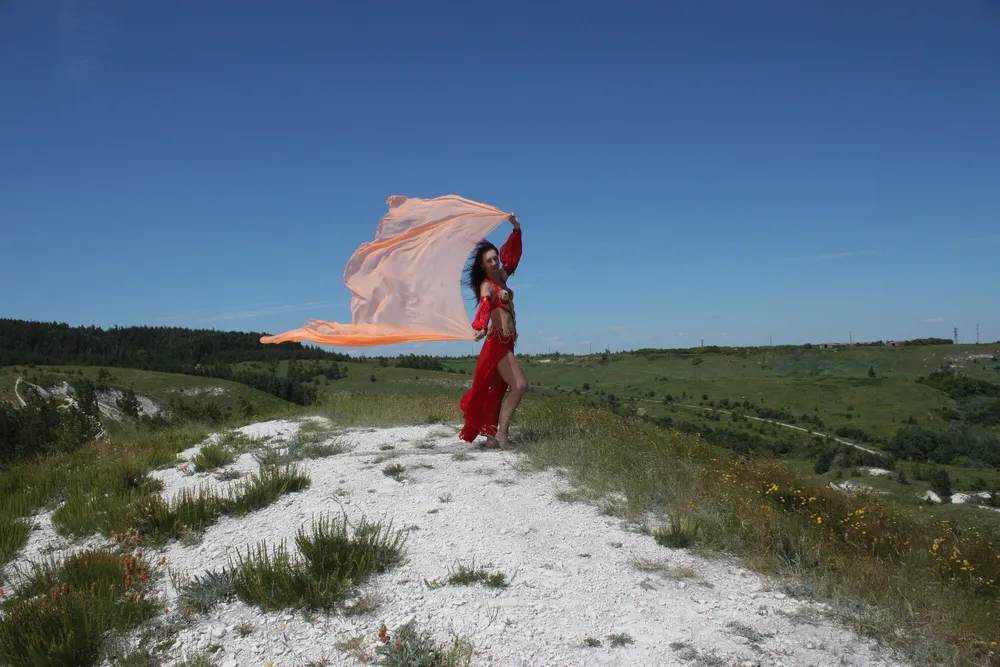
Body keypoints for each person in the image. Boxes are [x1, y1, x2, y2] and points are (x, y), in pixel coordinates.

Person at [458, 213, 526, 449]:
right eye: (490, 261)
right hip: (497, 343)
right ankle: (502, 434)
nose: (495, 262)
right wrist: (479, 326)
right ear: (482, 265)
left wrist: (516, 230)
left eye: (496, 258)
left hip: (507, 342)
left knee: (497, 389)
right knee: (519, 386)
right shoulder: (488, 285)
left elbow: (513, 259)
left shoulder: (502, 279)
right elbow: (485, 306)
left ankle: (490, 437)